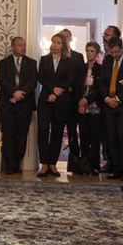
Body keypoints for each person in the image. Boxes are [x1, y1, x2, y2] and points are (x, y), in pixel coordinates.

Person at [0, 36, 38, 175]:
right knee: (8, 134)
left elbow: (32, 82)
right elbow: (2, 80)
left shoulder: (31, 63)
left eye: (24, 45)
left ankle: (17, 163)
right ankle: (9, 164)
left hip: (24, 104)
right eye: (20, 45)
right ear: (13, 47)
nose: (23, 47)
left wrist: (21, 94)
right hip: (8, 104)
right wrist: (13, 93)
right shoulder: (4, 62)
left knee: (22, 135)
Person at [37, 32, 72, 178]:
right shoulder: (44, 59)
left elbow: (69, 79)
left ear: (63, 45)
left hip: (61, 101)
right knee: (43, 130)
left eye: (58, 42)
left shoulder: (68, 61)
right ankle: (44, 163)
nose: (55, 45)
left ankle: (53, 163)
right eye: (53, 42)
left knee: (57, 132)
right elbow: (42, 78)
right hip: (45, 99)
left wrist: (56, 93)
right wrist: (52, 90)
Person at [101, 37, 123, 181]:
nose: (114, 55)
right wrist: (107, 99)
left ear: (121, 48)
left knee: (122, 137)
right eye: (111, 52)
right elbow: (102, 82)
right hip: (109, 104)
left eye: (116, 52)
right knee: (112, 137)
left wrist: (118, 99)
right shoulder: (107, 61)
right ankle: (116, 168)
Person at [59, 28, 87, 167]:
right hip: (58, 99)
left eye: (67, 36)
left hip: (72, 99)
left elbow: (81, 77)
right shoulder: (55, 57)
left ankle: (75, 159)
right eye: (61, 37)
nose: (64, 39)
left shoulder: (78, 56)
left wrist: (72, 88)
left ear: (70, 39)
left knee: (73, 131)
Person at [78, 41, 105, 175]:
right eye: (87, 50)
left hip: (95, 107)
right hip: (82, 107)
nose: (89, 53)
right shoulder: (81, 68)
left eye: (92, 51)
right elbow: (77, 86)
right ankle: (85, 164)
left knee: (94, 137)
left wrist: (87, 100)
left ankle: (95, 165)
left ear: (97, 53)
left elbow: (99, 90)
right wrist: (80, 103)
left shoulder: (100, 69)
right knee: (83, 137)